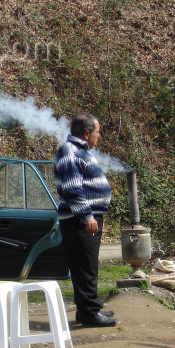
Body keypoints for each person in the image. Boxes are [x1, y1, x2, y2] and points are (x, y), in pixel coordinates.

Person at [54, 113, 119, 327]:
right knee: (84, 267)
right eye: (98, 132)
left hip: (84, 218)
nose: (99, 136)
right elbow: (73, 189)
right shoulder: (69, 151)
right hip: (79, 220)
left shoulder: (81, 152)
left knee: (88, 266)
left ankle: (88, 309)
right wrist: (87, 215)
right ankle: (90, 313)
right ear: (87, 133)